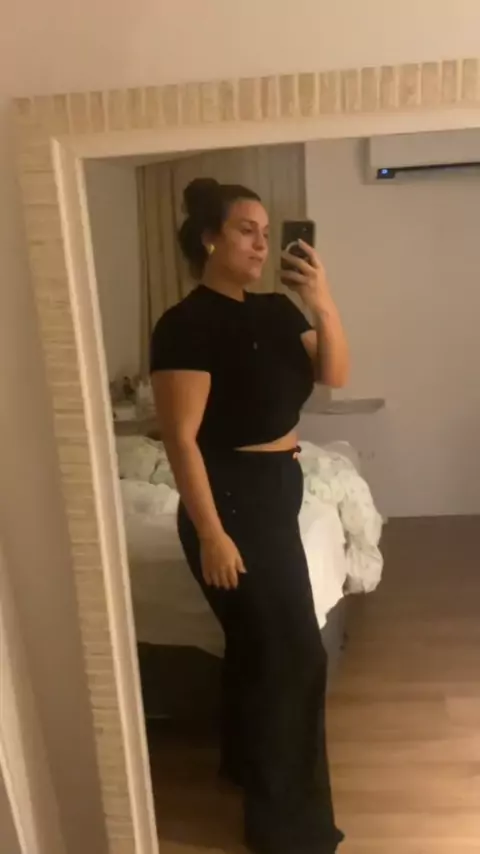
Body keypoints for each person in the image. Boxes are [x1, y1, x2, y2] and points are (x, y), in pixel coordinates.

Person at [150, 177, 349, 854]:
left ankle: (244, 767)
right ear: (209, 238)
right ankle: (287, 829)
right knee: (296, 657)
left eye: (266, 232)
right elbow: (181, 440)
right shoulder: (186, 325)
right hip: (231, 497)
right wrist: (211, 532)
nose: (262, 244)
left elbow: (336, 374)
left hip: (279, 486)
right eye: (246, 230)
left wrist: (321, 300)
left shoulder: (276, 310)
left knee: (259, 648)